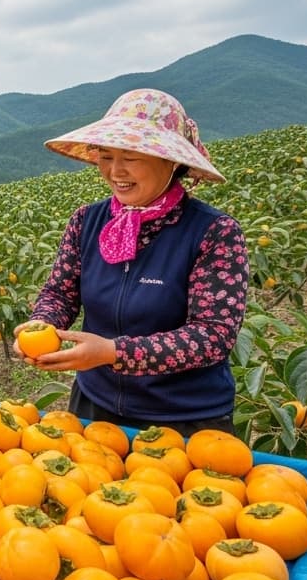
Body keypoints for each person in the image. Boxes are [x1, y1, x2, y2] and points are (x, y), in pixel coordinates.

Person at [14, 88, 248, 437]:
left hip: (185, 417)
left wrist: (112, 352)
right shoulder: (87, 221)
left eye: (131, 157)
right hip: (96, 404)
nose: (115, 171)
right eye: (106, 156)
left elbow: (212, 335)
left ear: (172, 161)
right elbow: (61, 293)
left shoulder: (213, 232)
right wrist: (41, 324)